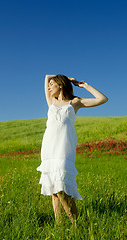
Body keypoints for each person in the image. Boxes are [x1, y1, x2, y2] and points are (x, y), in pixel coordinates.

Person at [37, 74, 108, 223]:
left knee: (62, 189)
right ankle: (60, 229)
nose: (49, 87)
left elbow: (102, 99)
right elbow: (46, 76)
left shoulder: (74, 102)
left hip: (64, 149)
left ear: (60, 85)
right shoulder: (51, 102)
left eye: (52, 84)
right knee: (54, 192)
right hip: (49, 150)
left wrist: (83, 85)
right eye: (48, 85)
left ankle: (76, 225)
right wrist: (59, 78)